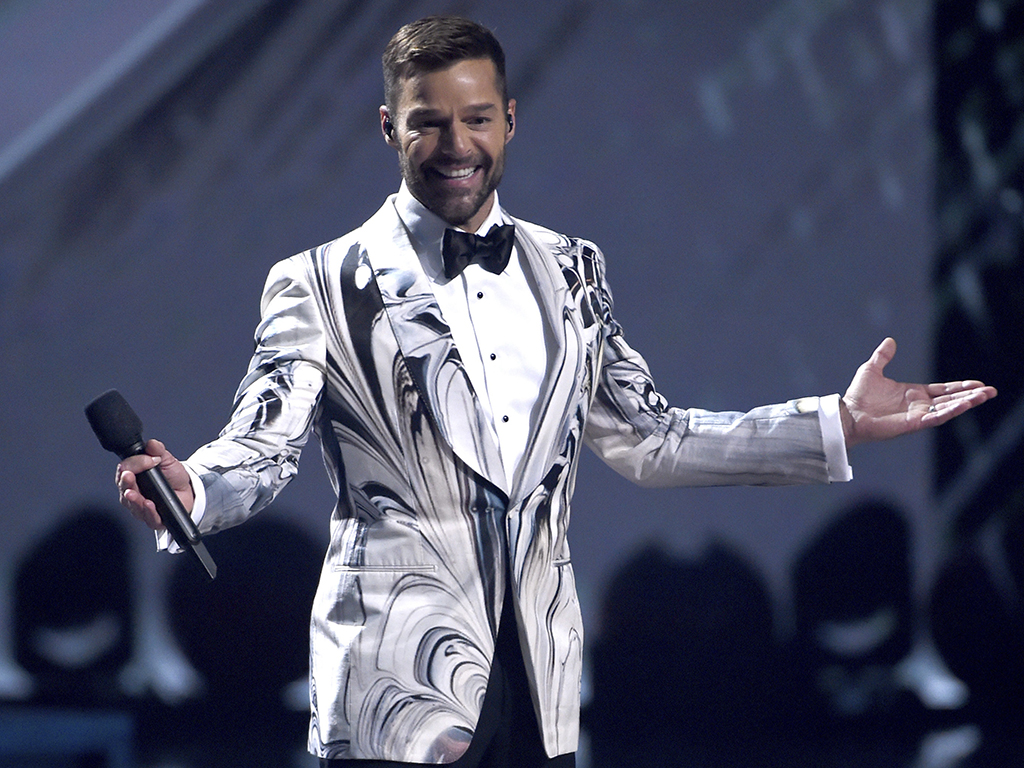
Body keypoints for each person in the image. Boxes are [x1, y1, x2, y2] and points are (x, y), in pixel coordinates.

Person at [114, 15, 996, 768]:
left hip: (541, 669)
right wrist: (194, 487)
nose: (457, 146)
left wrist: (834, 423)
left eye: (478, 118)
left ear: (509, 121)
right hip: (394, 680)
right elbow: (263, 443)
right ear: (387, 127)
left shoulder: (571, 268)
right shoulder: (319, 281)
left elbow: (649, 439)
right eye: (429, 123)